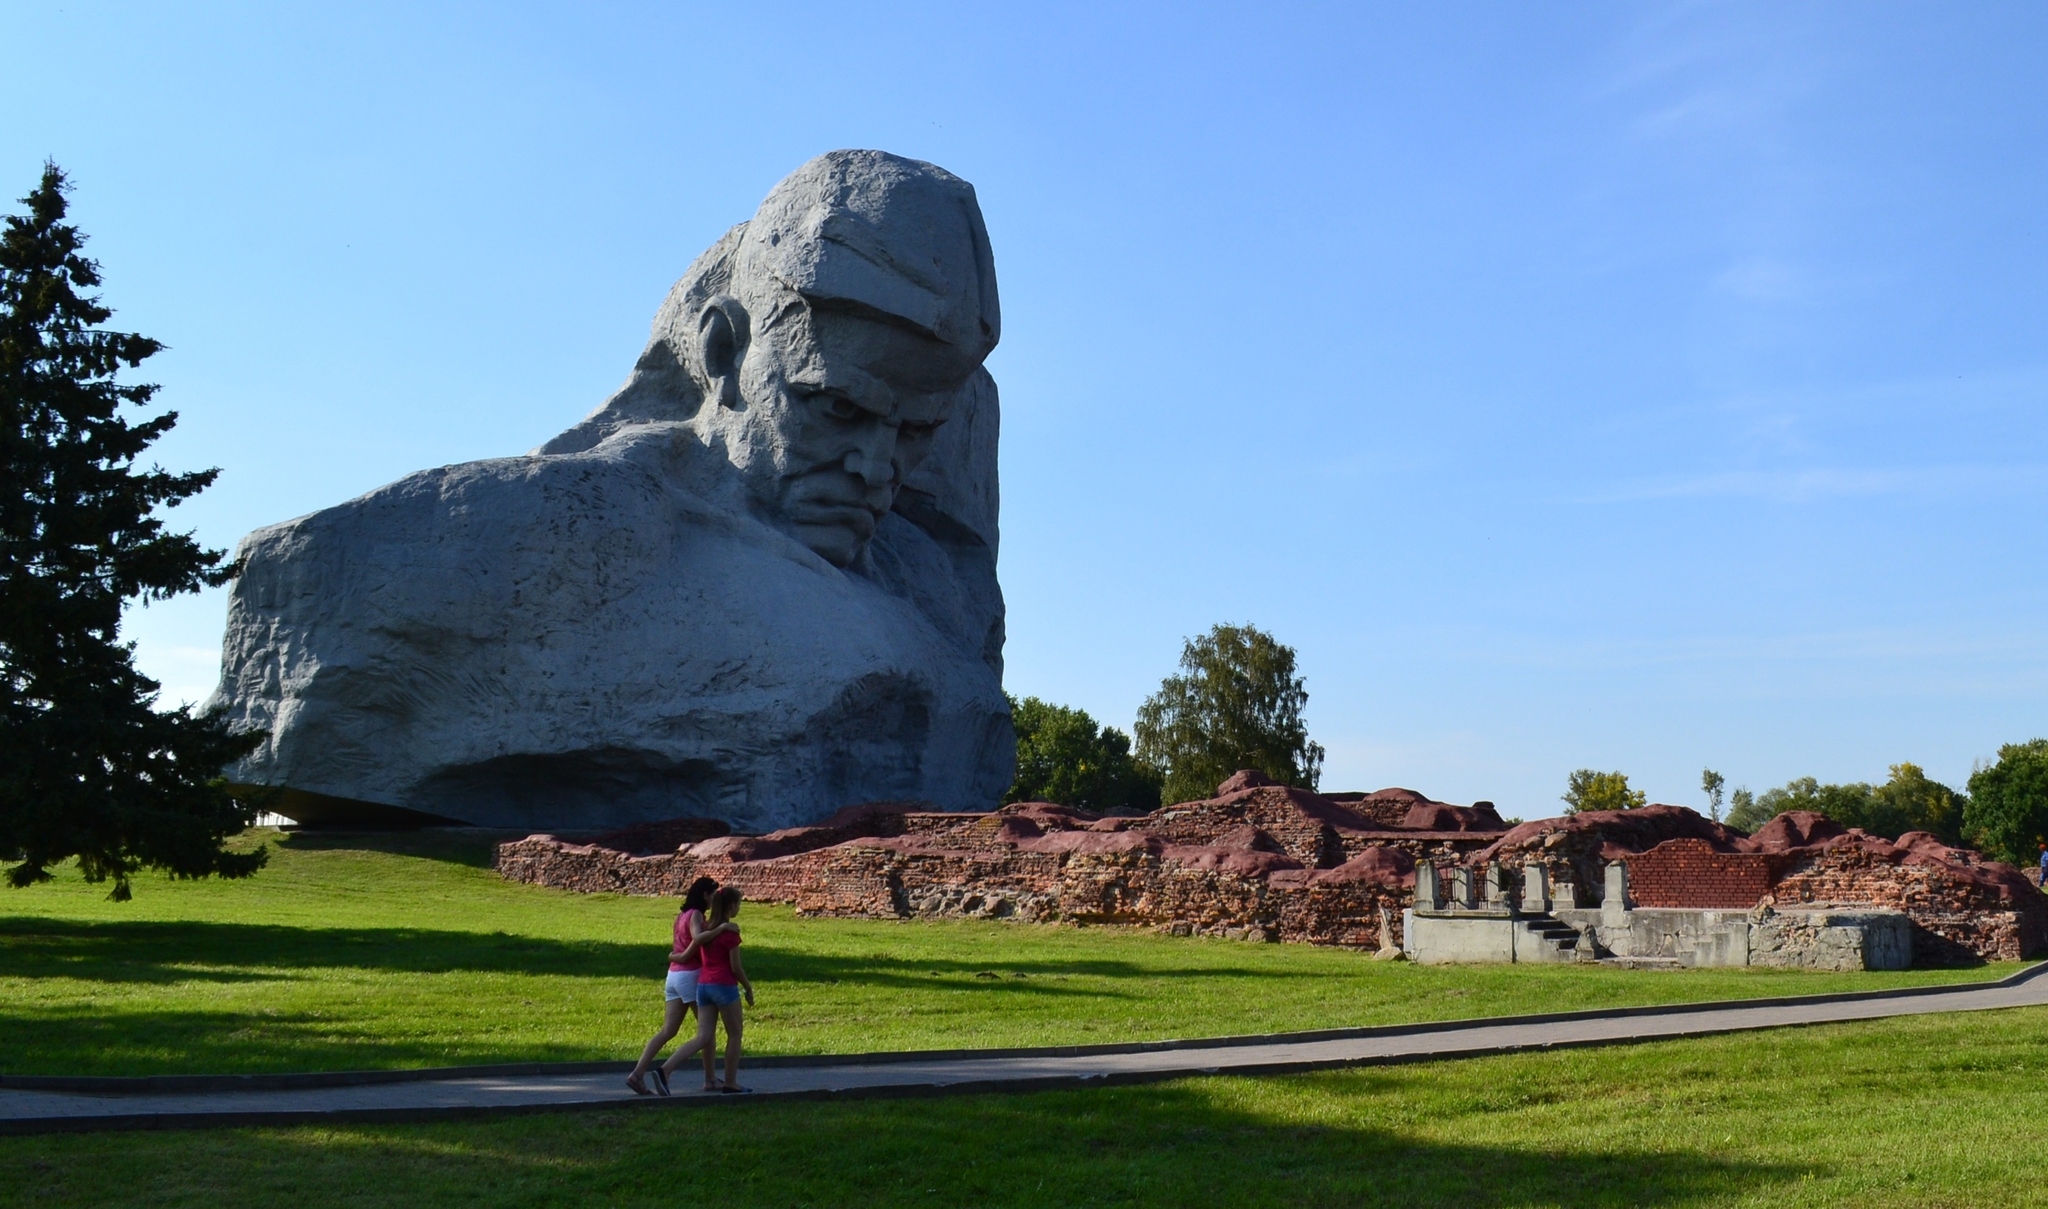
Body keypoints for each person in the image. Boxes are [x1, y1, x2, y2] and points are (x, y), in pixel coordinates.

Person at [625, 877, 723, 1096]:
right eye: (713, 894)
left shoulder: (681, 915)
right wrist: (722, 928)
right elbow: (698, 939)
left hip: (674, 977)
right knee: (706, 1033)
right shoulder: (696, 914)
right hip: (690, 974)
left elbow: (679, 943)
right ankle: (705, 1078)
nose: (714, 899)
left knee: (668, 1030)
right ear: (705, 894)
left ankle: (637, 1074)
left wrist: (677, 957)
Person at [660, 886, 755, 1093]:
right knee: (735, 1035)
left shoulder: (706, 929)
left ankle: (666, 1069)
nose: (739, 907)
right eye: (739, 904)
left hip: (703, 987)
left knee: (702, 1037)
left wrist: (671, 957)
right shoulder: (730, 933)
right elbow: (736, 968)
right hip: (724, 987)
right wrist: (748, 987)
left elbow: (686, 954)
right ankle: (730, 1082)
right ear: (731, 906)